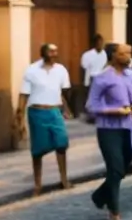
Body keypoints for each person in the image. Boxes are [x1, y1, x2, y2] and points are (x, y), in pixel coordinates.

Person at [87, 43, 132, 220]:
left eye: (130, 53)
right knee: (115, 167)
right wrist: (113, 110)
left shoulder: (130, 76)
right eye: (123, 53)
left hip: (128, 127)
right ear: (113, 56)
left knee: (125, 163)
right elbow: (90, 106)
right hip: (108, 129)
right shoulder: (102, 78)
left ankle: (99, 196)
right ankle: (114, 210)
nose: (128, 56)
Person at [16, 43, 72, 196]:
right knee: (38, 150)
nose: (55, 53)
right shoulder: (31, 70)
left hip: (55, 111)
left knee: (61, 143)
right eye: (51, 51)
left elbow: (62, 92)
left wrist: (66, 109)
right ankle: (37, 184)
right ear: (43, 53)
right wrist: (19, 116)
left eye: (56, 51)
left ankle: (64, 179)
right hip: (37, 112)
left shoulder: (61, 70)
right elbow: (23, 94)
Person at [78, 34, 106, 117]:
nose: (100, 44)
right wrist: (85, 82)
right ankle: (92, 115)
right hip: (92, 78)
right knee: (92, 98)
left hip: (103, 78)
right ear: (94, 44)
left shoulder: (105, 54)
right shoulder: (87, 55)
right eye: (98, 43)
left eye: (101, 42)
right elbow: (84, 68)